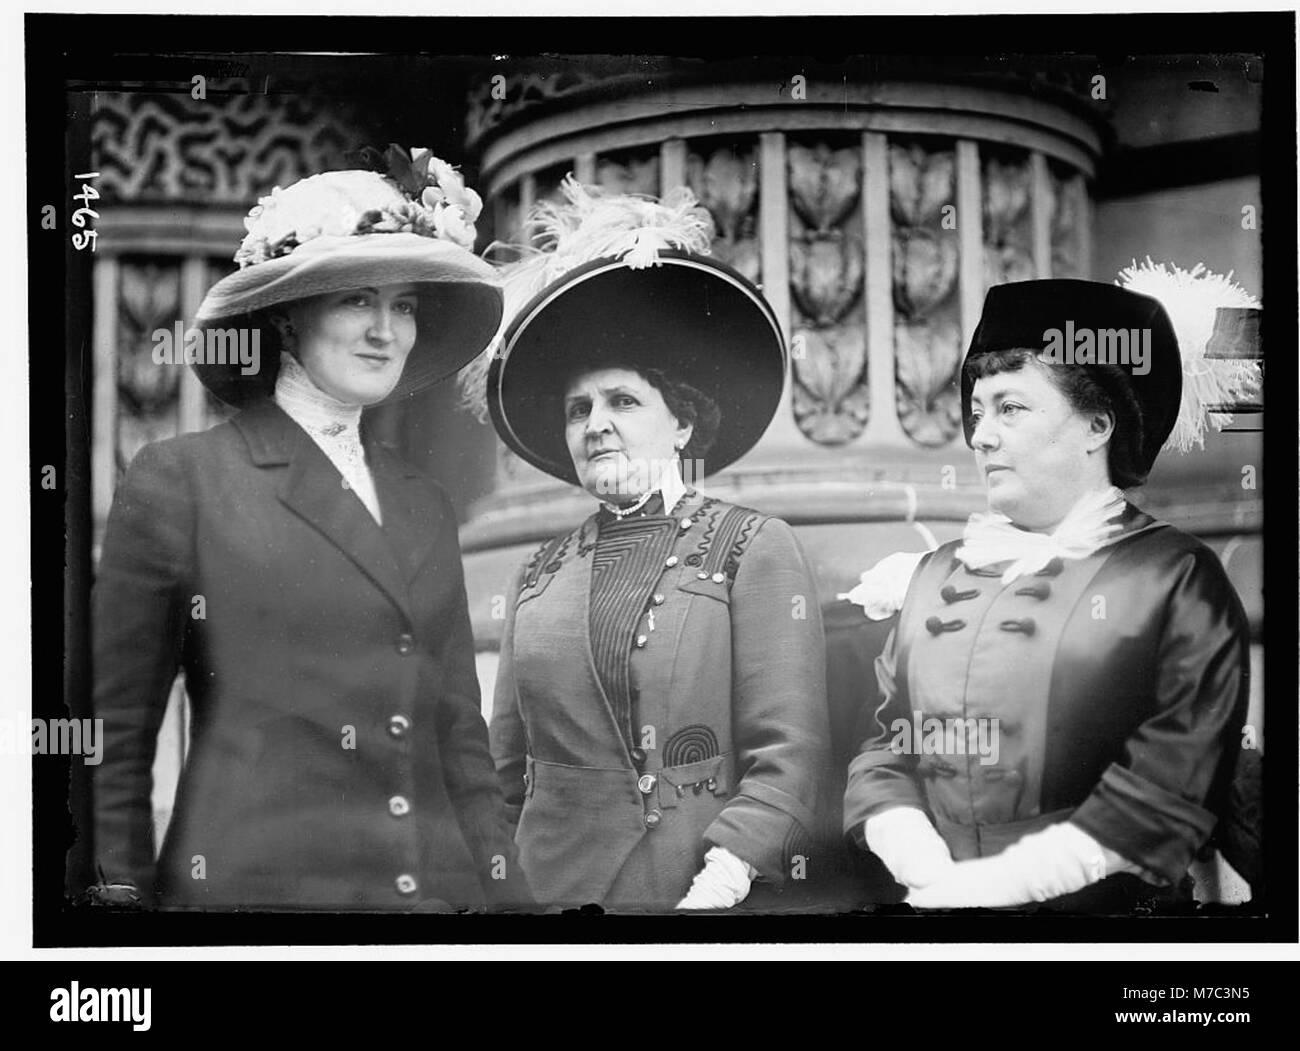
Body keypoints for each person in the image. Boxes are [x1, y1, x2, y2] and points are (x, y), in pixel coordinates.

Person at [90, 149, 530, 910]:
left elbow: (461, 740)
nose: (385, 332)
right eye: (357, 300)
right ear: (287, 320)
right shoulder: (182, 478)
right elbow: (113, 737)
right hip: (256, 904)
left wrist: (519, 910)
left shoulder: (423, 501)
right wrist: (116, 909)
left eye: (404, 307)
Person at [842, 278, 1251, 912]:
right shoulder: (933, 573)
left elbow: (1171, 786)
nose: (979, 435)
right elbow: (888, 745)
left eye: (1011, 408)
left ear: (1097, 425)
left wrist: (996, 885)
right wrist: (914, 854)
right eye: (977, 411)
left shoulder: (1175, 576)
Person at [477, 178, 831, 911]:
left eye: (623, 401)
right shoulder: (537, 574)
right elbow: (504, 775)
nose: (594, 424)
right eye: (579, 410)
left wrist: (720, 882)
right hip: (544, 898)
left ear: (683, 424)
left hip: (690, 889)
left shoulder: (753, 548)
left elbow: (788, 755)